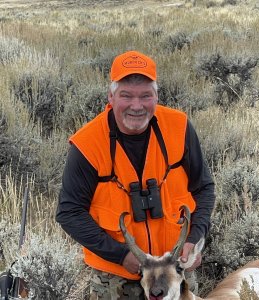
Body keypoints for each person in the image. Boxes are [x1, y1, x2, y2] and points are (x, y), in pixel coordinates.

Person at [56, 50, 215, 299]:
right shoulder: (87, 144)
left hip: (174, 272)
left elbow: (203, 188)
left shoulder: (179, 127)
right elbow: (69, 212)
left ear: (156, 96)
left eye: (145, 96)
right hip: (116, 277)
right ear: (110, 96)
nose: (137, 106)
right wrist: (120, 255)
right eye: (126, 96)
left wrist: (194, 239)